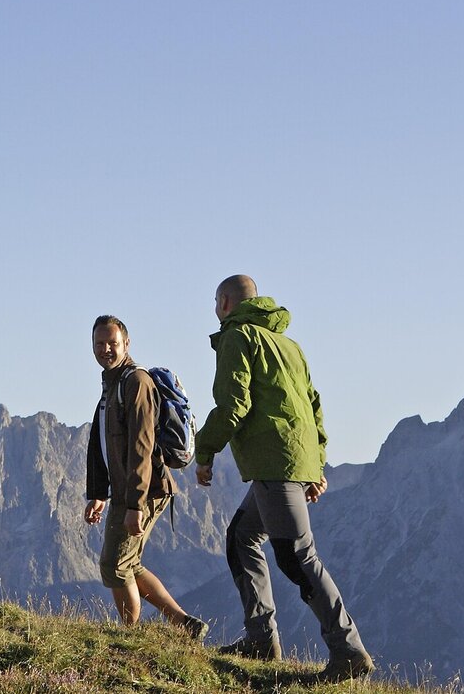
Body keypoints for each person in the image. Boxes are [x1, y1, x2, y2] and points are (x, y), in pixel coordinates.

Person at [195, 275, 373, 682]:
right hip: (291, 460)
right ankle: (261, 639)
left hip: (275, 463)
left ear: (224, 302)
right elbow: (314, 405)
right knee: (241, 537)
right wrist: (317, 463)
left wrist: (204, 453)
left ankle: (348, 650)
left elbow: (233, 405)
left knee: (298, 556)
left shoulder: (238, 337)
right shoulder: (290, 346)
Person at [86, 314, 208, 640]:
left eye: (112, 343)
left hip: (145, 491)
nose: (106, 349)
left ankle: (130, 637)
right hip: (128, 491)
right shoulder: (111, 386)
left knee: (115, 566)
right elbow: (100, 442)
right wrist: (98, 493)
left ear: (126, 344)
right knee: (129, 563)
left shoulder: (135, 383)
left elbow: (142, 445)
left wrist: (135, 503)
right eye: (100, 343)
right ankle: (184, 624)